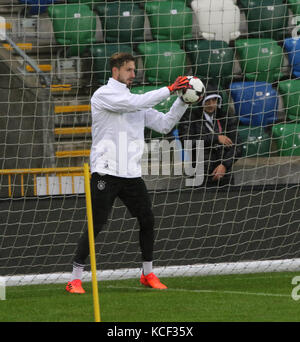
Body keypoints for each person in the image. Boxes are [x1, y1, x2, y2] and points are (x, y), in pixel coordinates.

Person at [66, 52, 190, 293]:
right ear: (116, 71)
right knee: (97, 224)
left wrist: (183, 100)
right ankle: (75, 278)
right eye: (129, 70)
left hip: (131, 174)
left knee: (147, 220)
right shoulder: (103, 95)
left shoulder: (136, 100)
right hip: (105, 171)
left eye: (134, 70)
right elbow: (134, 104)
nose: (133, 74)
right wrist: (171, 88)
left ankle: (147, 273)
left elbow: (164, 125)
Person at [178, 83, 242, 186]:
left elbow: (238, 145)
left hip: (224, 174)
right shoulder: (189, 117)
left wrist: (225, 165)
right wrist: (215, 138)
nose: (211, 104)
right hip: (199, 174)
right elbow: (187, 142)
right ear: (201, 101)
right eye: (207, 100)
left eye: (214, 100)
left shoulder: (226, 118)